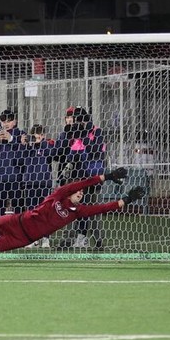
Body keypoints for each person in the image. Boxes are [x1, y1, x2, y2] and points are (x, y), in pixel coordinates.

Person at [0, 168, 143, 259]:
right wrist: (107, 176)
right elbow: (84, 182)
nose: (80, 193)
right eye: (78, 191)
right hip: (17, 221)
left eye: (82, 194)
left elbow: (103, 208)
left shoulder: (77, 212)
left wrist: (126, 200)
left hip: (23, 238)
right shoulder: (58, 195)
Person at [51, 105, 108, 248]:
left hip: (92, 177)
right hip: (76, 177)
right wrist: (71, 136)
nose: (77, 123)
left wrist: (83, 136)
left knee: (92, 209)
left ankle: (96, 240)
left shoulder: (96, 131)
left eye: (79, 120)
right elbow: (68, 155)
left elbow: (96, 151)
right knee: (71, 207)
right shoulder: (74, 133)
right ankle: (69, 239)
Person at [19, 123, 55, 247]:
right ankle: (32, 238)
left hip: (44, 182)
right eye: (34, 135)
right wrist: (23, 145)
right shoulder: (28, 147)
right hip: (30, 182)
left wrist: (42, 143)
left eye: (39, 135)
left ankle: (45, 238)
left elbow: (51, 154)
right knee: (31, 212)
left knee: (44, 211)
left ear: (43, 135)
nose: (36, 137)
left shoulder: (47, 145)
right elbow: (20, 160)